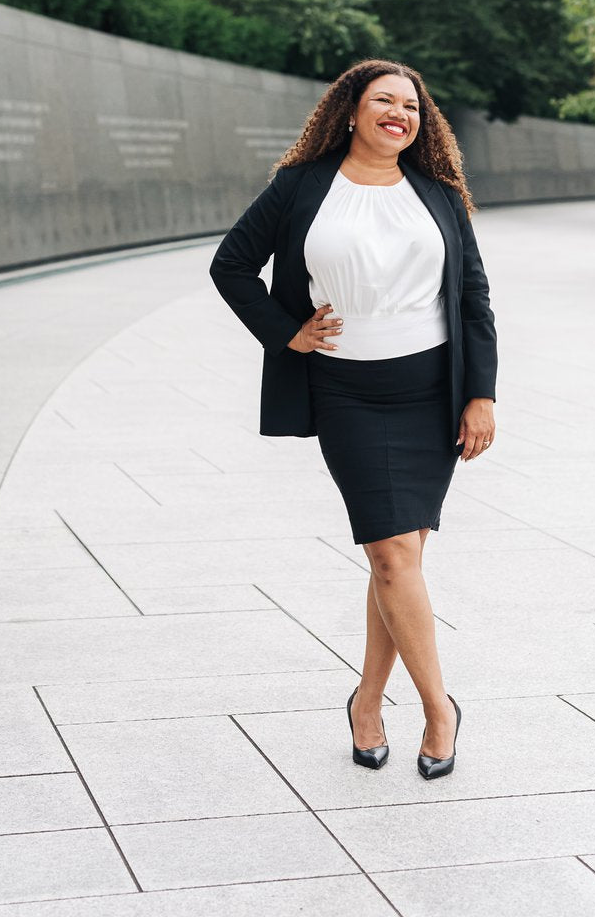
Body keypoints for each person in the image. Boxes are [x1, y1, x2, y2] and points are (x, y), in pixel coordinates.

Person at [209, 58, 498, 780]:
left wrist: (481, 394)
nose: (399, 114)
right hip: (348, 393)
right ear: (350, 111)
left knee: (397, 560)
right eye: (384, 101)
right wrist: (287, 332)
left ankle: (367, 700)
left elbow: (473, 297)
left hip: (432, 391)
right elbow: (231, 264)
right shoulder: (302, 186)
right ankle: (440, 709)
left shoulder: (438, 193)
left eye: (411, 105)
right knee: (393, 555)